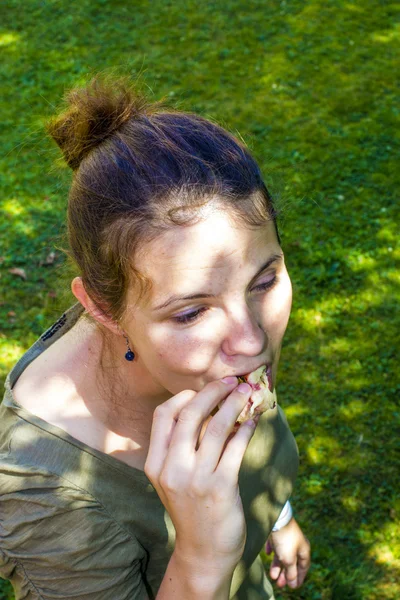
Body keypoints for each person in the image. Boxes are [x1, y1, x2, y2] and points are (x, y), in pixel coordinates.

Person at [0, 77, 310, 599]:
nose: (253, 341)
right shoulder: (40, 493)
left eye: (265, 280)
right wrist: (204, 555)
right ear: (102, 308)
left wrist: (277, 520)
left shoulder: (202, 355)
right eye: (191, 313)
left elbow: (260, 455)